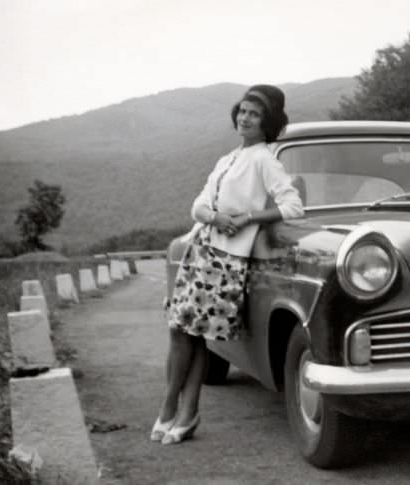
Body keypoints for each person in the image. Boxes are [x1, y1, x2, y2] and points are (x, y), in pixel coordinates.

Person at [151, 84, 304, 445]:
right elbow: (199, 206)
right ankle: (182, 411)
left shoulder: (265, 159)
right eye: (243, 111)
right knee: (185, 332)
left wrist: (250, 217)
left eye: (254, 113)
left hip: (227, 259)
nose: (245, 118)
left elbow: (293, 206)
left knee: (193, 333)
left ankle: (173, 409)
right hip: (202, 247)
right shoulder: (226, 159)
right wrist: (216, 217)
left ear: (267, 121)